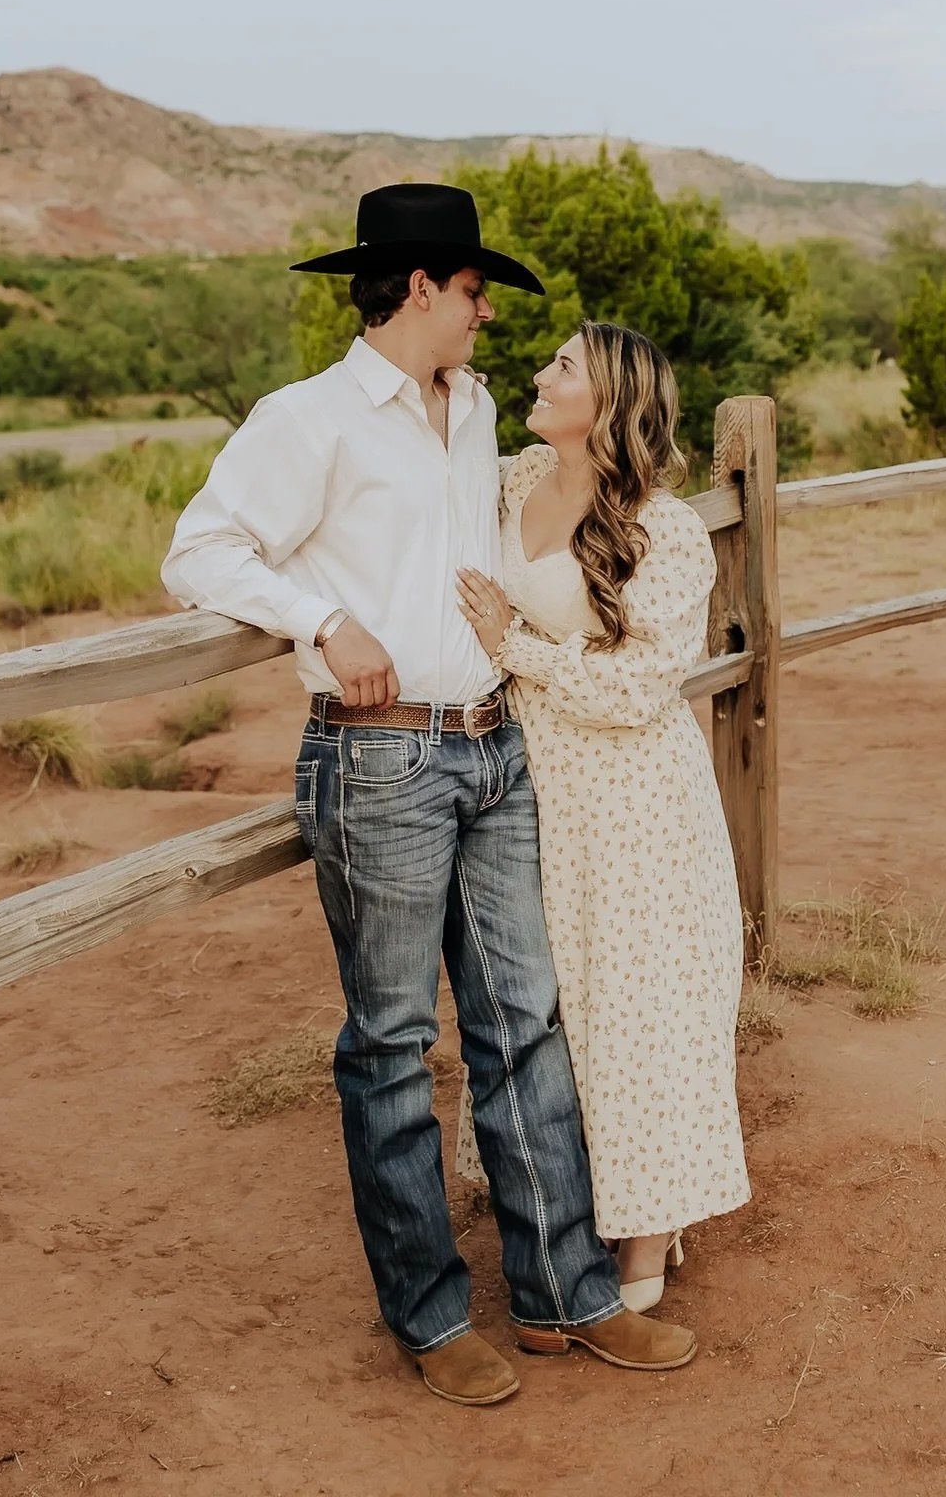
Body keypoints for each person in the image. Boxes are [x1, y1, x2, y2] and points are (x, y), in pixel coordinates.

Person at [161, 185, 697, 1407]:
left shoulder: (477, 415)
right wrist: (321, 618)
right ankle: (432, 1313)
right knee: (396, 1046)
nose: (488, 312)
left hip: (496, 745)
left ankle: (568, 1293)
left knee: (525, 1021)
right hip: (381, 755)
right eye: (473, 290)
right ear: (418, 288)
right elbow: (198, 549)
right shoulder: (308, 420)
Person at [456, 320, 750, 1311]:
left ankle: (646, 1232)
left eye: (565, 367)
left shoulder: (664, 531)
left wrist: (514, 646)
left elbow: (639, 689)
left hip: (633, 799)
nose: (541, 376)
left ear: (611, 400)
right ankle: (566, 1201)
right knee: (551, 1005)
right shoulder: (510, 480)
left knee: (641, 1009)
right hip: (524, 782)